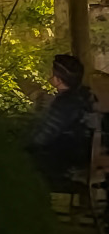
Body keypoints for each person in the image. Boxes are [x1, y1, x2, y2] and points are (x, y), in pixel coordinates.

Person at [27, 54, 98, 189]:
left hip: (69, 158)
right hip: (84, 152)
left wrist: (24, 147)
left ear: (58, 79)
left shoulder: (65, 103)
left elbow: (43, 136)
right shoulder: (86, 96)